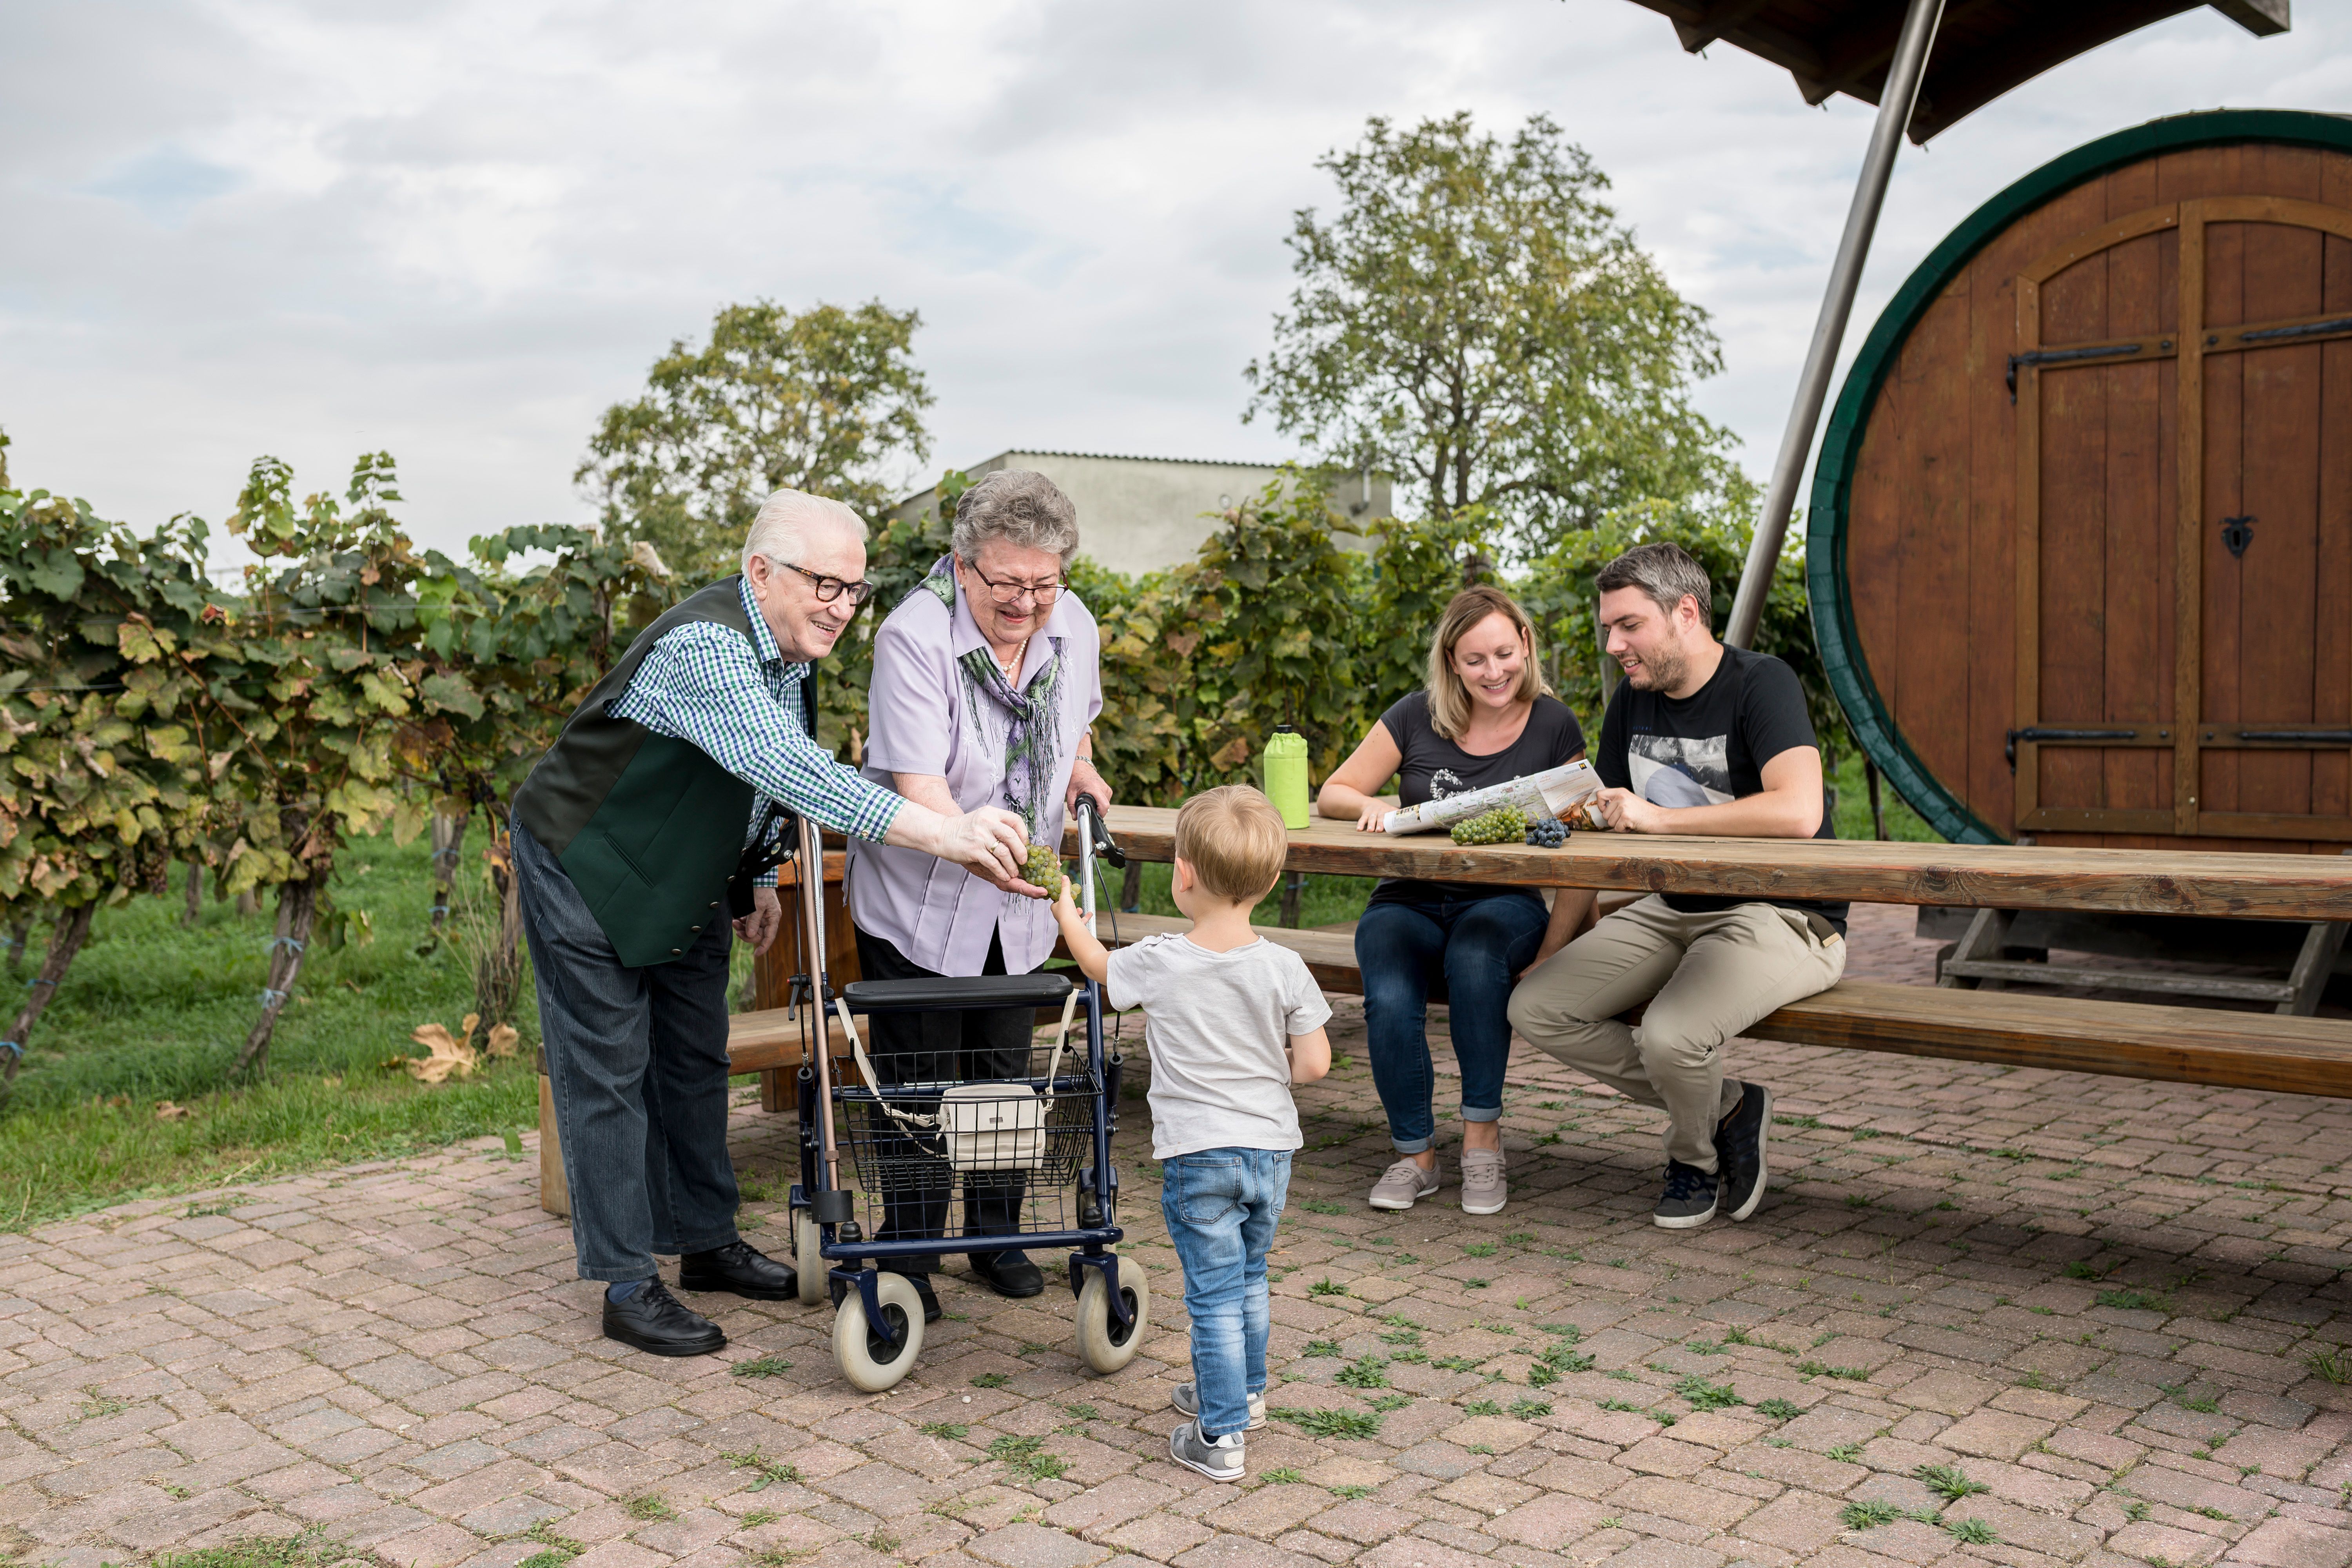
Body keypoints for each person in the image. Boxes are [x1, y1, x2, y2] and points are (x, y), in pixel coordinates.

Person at [511, 489, 1033, 1358]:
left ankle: (706, 1241)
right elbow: (782, 764)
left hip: (683, 868)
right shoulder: (707, 644)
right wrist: (946, 833)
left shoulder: (788, 652)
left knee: (694, 1053)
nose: (842, 606)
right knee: (609, 1065)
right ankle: (625, 1280)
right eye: (825, 583)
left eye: (854, 590)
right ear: (761, 571)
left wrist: (757, 875)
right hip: (586, 857)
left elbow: (753, 782)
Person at [1507, 542, 1846, 1229]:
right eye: (1609, 628)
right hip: (1671, 908)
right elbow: (1596, 841)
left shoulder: (1762, 682)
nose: (1613, 644)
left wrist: (1662, 819)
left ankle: (1693, 1161)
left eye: (1628, 625)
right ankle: (1728, 1106)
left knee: (1670, 1038)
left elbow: (1800, 811)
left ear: (1685, 612)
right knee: (1536, 1005)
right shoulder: (1631, 705)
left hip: (1783, 914)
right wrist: (1553, 946)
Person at [847, 470, 1111, 1317]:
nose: (1027, 602)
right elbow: (917, 783)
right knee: (918, 1076)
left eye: (1044, 582)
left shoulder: (1072, 624)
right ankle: (914, 1241)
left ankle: (997, 1233)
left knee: (1003, 1070)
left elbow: (1081, 716)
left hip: (1017, 900)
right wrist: (970, 841)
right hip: (919, 895)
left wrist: (1079, 765)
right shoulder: (914, 637)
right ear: (963, 566)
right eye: (1007, 583)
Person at [1050, 785, 1331, 1483]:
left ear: (1183, 873)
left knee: (1211, 1294)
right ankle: (1246, 1394)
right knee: (1251, 1277)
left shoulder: (1161, 958)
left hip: (1199, 1154)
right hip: (1271, 1150)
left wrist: (1063, 906)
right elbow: (1316, 1063)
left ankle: (1220, 1435)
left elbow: (1096, 967)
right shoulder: (1284, 965)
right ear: (1270, 882)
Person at [1316, 586, 1594, 1217]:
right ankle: (1415, 1155)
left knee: (1476, 959)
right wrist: (1374, 804)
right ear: (1451, 662)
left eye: (1504, 653)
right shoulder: (1416, 716)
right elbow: (1335, 791)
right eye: (1475, 661)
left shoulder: (1555, 724)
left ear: (1525, 644)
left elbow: (1578, 828)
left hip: (1503, 902)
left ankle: (1481, 1142)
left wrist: (1555, 948)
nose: (1493, 672)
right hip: (1407, 899)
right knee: (1386, 994)